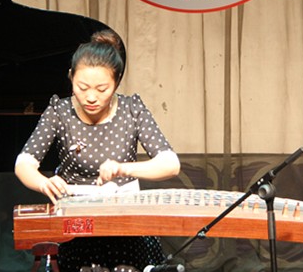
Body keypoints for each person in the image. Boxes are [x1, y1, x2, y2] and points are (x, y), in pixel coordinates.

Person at [15, 29, 181, 272]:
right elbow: (24, 163)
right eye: (82, 87)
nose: (91, 97)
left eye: (102, 89)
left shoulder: (131, 109)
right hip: (76, 224)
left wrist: (123, 168)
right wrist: (43, 183)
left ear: (117, 82)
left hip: (125, 221)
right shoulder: (59, 112)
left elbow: (170, 164)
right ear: (70, 77)